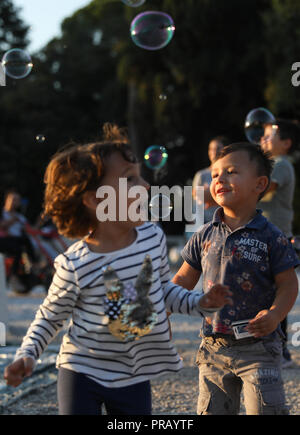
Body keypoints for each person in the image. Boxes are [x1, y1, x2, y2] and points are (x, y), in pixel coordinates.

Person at [4, 124, 232, 415]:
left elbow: (163, 291)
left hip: (133, 374)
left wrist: (200, 302)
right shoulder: (76, 263)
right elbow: (50, 316)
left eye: (140, 177)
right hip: (80, 372)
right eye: (130, 179)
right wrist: (27, 354)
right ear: (95, 199)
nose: (146, 186)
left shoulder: (152, 238)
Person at [172, 142, 299, 415]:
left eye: (231, 171)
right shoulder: (204, 235)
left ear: (260, 184)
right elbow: (181, 281)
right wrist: (160, 314)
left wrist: (276, 314)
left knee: (266, 411)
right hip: (213, 347)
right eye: (216, 174)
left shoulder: (271, 236)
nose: (219, 179)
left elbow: (289, 284)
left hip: (259, 347)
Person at [259, 119, 300, 367]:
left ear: (286, 143)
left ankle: (280, 350)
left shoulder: (282, 164)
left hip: (277, 237)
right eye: (262, 135)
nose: (263, 139)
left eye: (269, 136)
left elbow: (263, 188)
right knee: (268, 292)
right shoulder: (271, 164)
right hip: (269, 235)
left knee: (277, 293)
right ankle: (272, 346)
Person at [0, 191, 37, 286]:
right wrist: (13, 220)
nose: (13, 202)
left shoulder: (20, 217)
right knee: (19, 246)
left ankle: (32, 265)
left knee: (24, 241)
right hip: (3, 240)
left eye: (16, 200)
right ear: (7, 200)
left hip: (15, 241)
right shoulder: (2, 213)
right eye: (12, 199)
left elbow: (30, 229)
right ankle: (15, 274)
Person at [192, 136, 230, 224]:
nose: (214, 152)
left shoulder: (230, 173)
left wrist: (209, 196)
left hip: (224, 222)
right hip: (203, 223)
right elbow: (195, 202)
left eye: (218, 148)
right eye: (211, 149)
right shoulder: (201, 175)